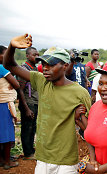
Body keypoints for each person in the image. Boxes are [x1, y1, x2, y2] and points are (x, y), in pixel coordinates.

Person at [3, 34, 91, 174]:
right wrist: (12, 46)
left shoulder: (80, 93)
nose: (45, 68)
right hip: (42, 158)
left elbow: (90, 130)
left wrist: (77, 119)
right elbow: (9, 65)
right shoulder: (41, 81)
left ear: (65, 66)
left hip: (66, 161)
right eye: (43, 64)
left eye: (51, 64)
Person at [17, 47, 39, 160]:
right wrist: (26, 108)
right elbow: (19, 89)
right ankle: (27, 153)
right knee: (27, 127)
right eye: (34, 55)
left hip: (35, 102)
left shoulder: (34, 68)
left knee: (33, 127)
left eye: (37, 55)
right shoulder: (23, 69)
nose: (37, 57)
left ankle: (30, 149)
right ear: (27, 56)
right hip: (28, 103)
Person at [0, 45, 20, 170]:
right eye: (5, 54)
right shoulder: (2, 68)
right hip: (4, 105)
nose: (7, 57)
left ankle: (2, 159)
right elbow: (16, 83)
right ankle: (7, 161)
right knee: (7, 134)